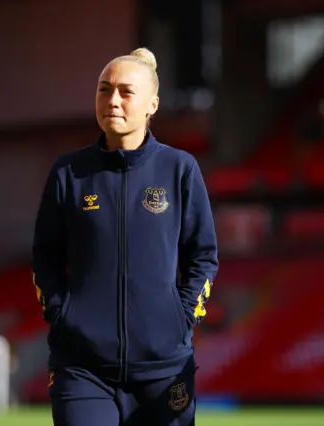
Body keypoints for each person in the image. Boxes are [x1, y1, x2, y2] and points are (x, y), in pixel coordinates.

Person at [32, 47, 218, 426]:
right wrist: (61, 313)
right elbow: (45, 256)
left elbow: (203, 257)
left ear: (153, 104)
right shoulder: (68, 172)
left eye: (125, 92)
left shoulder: (180, 169)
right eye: (104, 90)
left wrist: (180, 318)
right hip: (82, 368)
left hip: (164, 369)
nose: (112, 101)